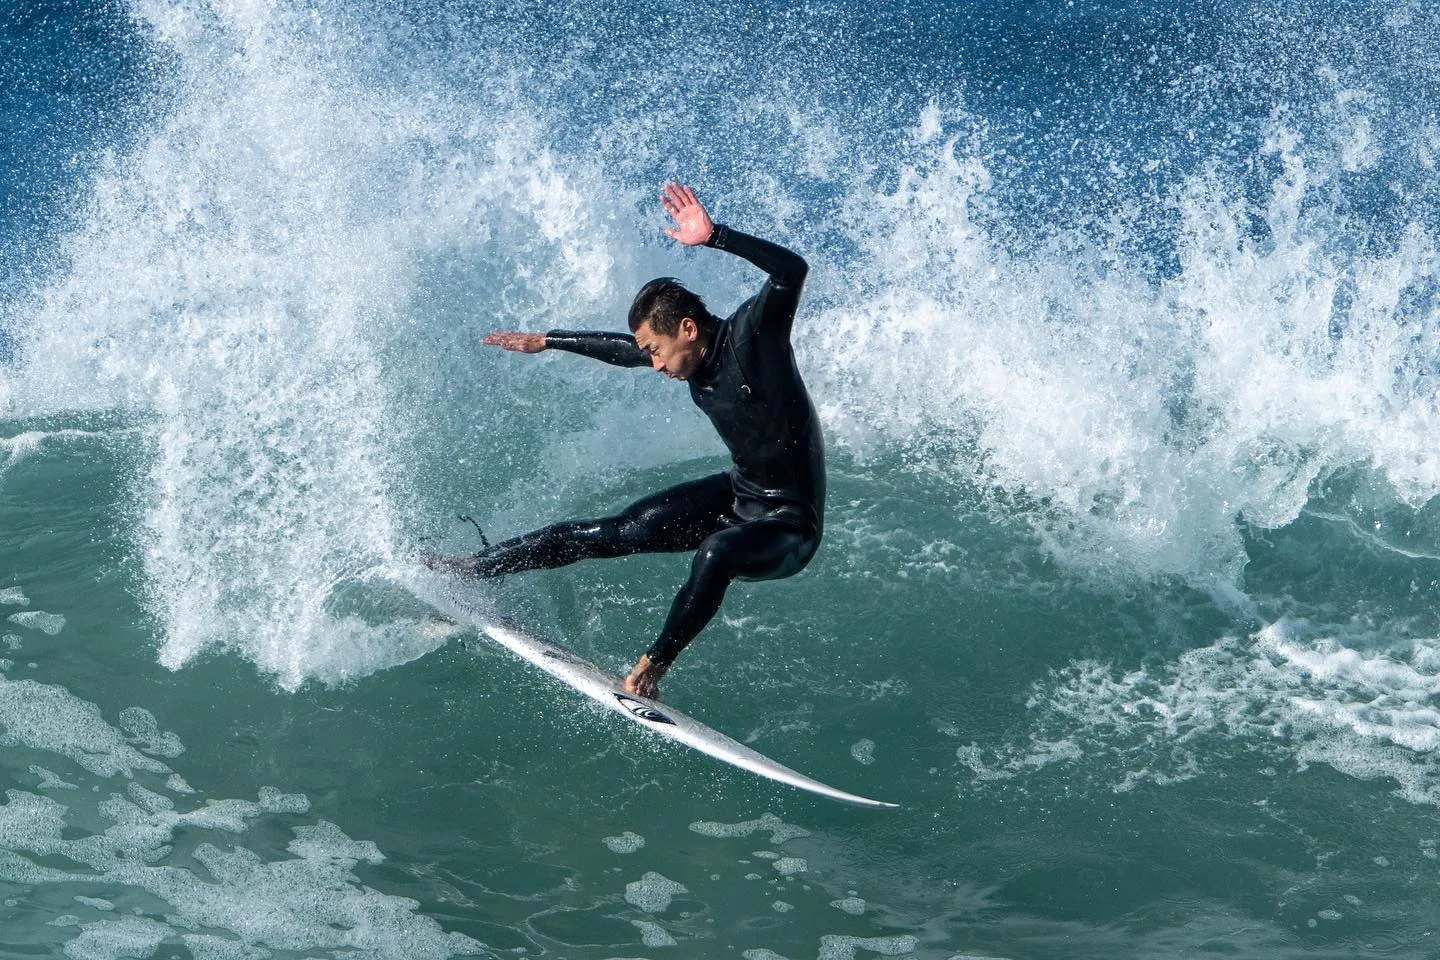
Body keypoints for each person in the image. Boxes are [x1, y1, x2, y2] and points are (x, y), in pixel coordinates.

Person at [427, 182, 824, 699]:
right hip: (740, 495)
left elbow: (792, 271)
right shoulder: (686, 357)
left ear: (687, 328)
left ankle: (651, 670)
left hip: (790, 524)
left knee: (716, 555)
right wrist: (547, 341)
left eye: (656, 350)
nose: (654, 365)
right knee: (614, 529)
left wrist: (716, 236)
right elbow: (621, 350)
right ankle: (475, 568)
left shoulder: (755, 335)